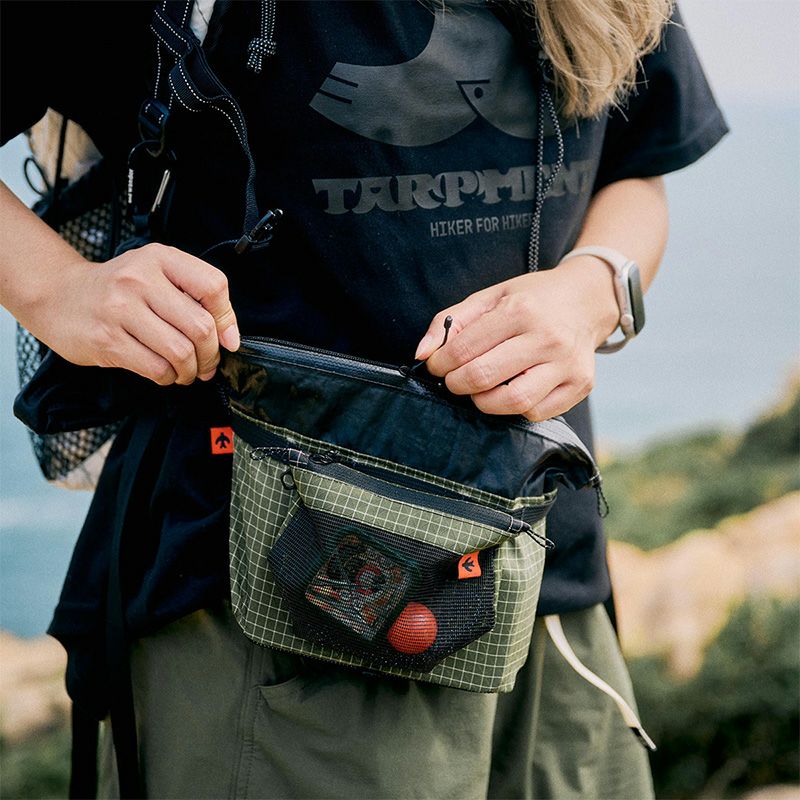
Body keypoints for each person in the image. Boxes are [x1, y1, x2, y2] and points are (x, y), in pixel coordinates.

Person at [0, 1, 727, 797]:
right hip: (273, 608)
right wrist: (57, 291)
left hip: (549, 587)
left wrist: (593, 290)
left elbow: (635, 164)